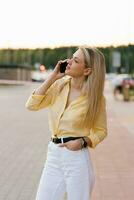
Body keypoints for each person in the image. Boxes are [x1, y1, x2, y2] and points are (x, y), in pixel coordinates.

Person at [25, 46, 108, 200]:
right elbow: (31, 105)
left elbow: (101, 130)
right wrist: (52, 77)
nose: (69, 62)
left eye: (75, 60)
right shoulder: (59, 86)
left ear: (87, 71)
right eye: (71, 57)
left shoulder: (95, 99)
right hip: (54, 154)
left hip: (76, 158)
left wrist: (83, 142)